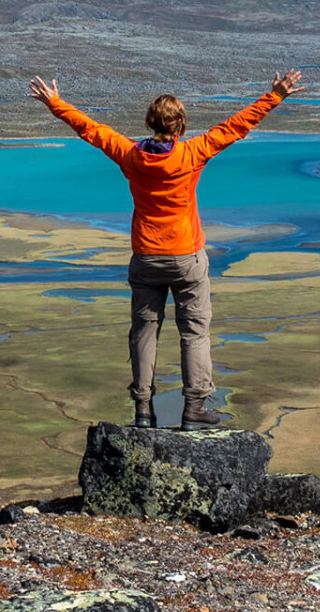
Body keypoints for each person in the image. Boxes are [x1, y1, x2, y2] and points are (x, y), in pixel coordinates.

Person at [28, 69, 304, 429]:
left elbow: (91, 131)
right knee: (194, 331)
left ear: (148, 123)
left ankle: (143, 410)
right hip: (186, 257)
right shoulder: (192, 154)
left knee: (144, 331)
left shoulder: (130, 155)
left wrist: (55, 103)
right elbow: (237, 126)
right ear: (181, 126)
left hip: (145, 257)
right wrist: (275, 95)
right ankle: (194, 408)